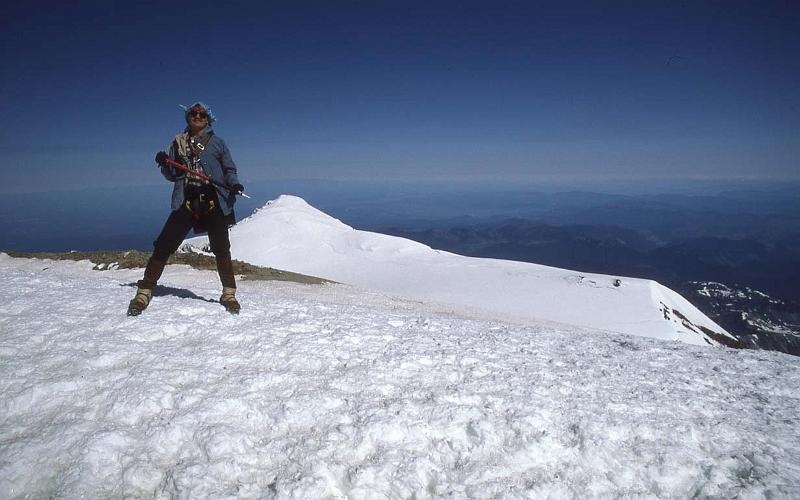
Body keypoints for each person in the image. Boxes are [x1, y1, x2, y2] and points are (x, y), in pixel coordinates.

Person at [128, 102, 244, 316]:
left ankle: (229, 293)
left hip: (214, 200)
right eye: (194, 113)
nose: (198, 116)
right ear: (188, 117)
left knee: (221, 248)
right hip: (186, 199)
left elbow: (229, 168)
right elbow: (173, 175)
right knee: (164, 244)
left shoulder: (217, 143)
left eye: (202, 114)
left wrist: (234, 182)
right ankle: (144, 290)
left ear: (208, 119)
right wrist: (165, 163)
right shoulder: (177, 143)